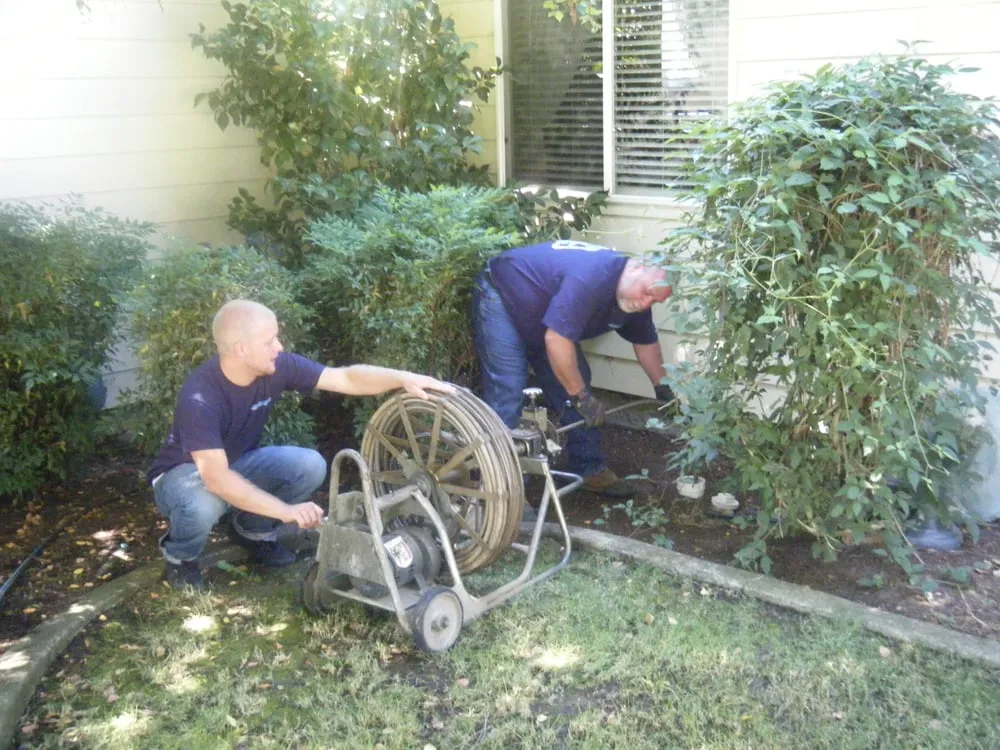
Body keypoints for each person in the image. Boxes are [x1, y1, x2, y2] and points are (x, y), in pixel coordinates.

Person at [148, 299, 454, 590]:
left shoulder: (278, 366)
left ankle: (252, 532)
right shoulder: (200, 396)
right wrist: (286, 511)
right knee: (206, 502)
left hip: (234, 464)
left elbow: (345, 378)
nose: (278, 347)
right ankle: (180, 557)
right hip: (182, 477)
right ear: (241, 349)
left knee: (309, 465)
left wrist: (403, 378)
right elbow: (215, 478)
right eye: (269, 341)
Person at [472, 240, 674, 498]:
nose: (646, 303)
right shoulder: (592, 278)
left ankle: (588, 469)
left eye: (655, 301)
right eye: (647, 292)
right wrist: (582, 398)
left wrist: (663, 387)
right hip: (503, 295)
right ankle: (499, 490)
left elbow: (645, 341)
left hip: (542, 315)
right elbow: (557, 340)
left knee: (578, 377)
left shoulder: (633, 295)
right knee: (509, 388)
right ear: (636, 268)